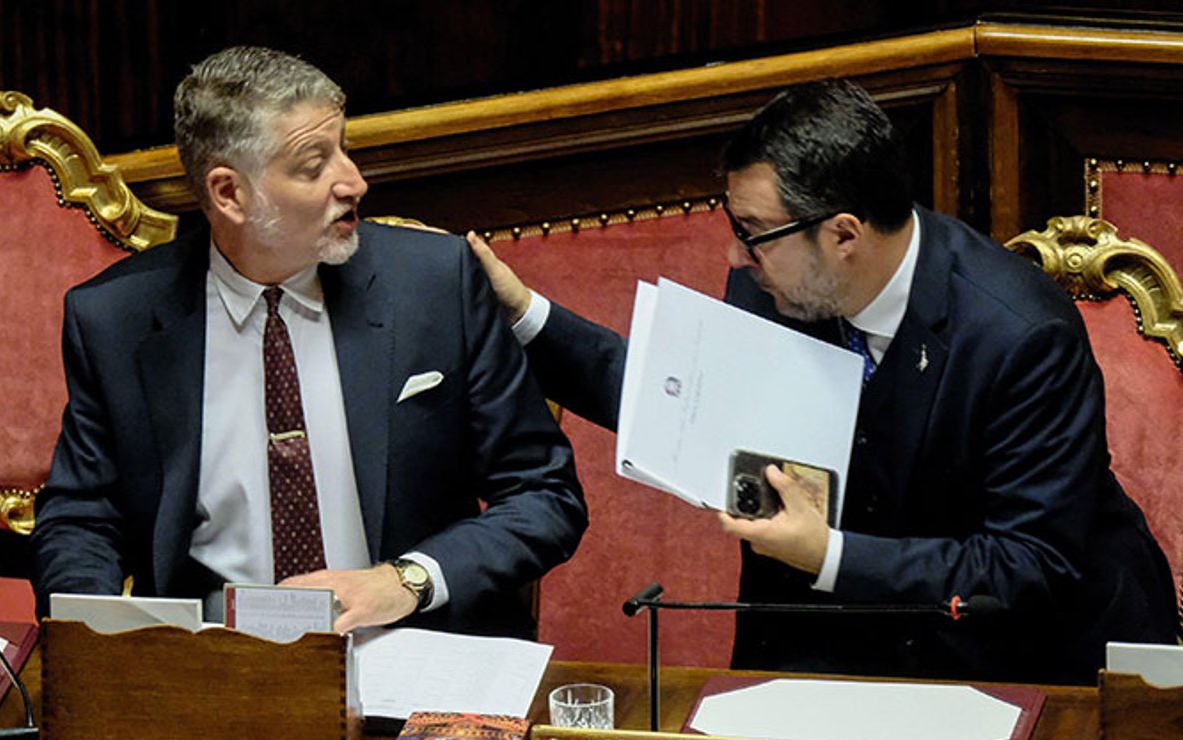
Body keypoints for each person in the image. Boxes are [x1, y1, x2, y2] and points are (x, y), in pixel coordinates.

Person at [468, 78, 1177, 684]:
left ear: (843, 234)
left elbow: (1028, 564)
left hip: (1021, 661)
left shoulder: (1020, 335)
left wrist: (828, 553)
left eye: (754, 231)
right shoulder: (773, 290)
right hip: (831, 652)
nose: (735, 255)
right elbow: (678, 406)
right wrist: (527, 316)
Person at [31, 46, 587, 639]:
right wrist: (100, 646)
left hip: (412, 646)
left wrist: (406, 581)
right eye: (312, 164)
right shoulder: (117, 320)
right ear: (229, 194)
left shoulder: (432, 286)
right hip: (218, 667)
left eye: (343, 149)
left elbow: (543, 493)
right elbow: (80, 518)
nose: (354, 181)